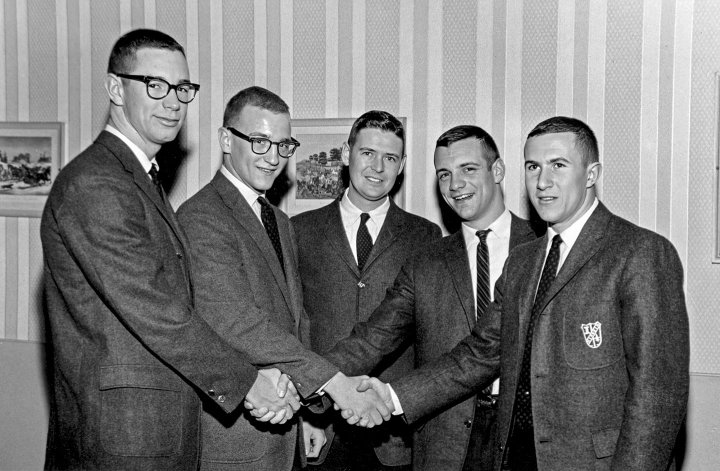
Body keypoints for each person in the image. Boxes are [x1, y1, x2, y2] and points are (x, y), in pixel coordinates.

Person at [360, 116, 690, 470]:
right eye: (533, 167)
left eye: (558, 165)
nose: (542, 182)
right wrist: (392, 396)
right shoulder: (523, 261)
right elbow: (479, 354)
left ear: (591, 174)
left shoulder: (640, 253)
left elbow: (658, 396)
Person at [40, 29, 301, 470]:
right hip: (124, 437)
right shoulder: (96, 182)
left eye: (182, 88)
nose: (173, 102)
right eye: (155, 85)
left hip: (154, 432)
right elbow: (155, 309)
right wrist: (248, 383)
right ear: (115, 88)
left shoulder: (141, 179)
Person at [177, 87, 391, 471]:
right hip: (236, 440)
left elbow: (297, 320)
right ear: (226, 139)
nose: (274, 158)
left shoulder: (278, 220)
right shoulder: (201, 217)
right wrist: (333, 383)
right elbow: (234, 320)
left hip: (285, 429)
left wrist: (308, 411)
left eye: (283, 145)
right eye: (259, 142)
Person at [324, 125, 542, 470]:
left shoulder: (543, 249)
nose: (455, 185)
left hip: (526, 438)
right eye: (444, 174)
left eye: (468, 169)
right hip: (445, 439)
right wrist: (309, 378)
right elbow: (373, 338)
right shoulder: (426, 260)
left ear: (498, 170)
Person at [291, 110, 442, 470]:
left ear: (401, 165)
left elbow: (431, 337)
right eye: (368, 153)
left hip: (393, 431)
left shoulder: (425, 236)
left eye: (390, 157)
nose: (377, 167)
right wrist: (305, 414)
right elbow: (291, 325)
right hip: (320, 426)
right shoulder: (298, 230)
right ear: (346, 154)